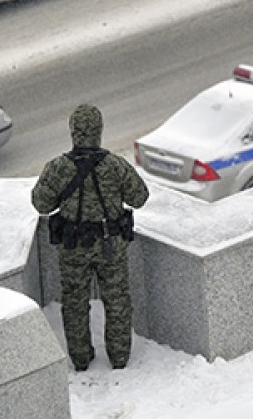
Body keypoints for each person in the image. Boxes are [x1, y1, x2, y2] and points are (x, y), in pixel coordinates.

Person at [32, 104, 149, 370]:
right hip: (111, 246)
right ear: (99, 131)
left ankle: (81, 359)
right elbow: (140, 198)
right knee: (117, 300)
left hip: (73, 249)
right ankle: (119, 359)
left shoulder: (58, 167)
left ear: (73, 132)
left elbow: (41, 204)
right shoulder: (115, 165)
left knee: (74, 304)